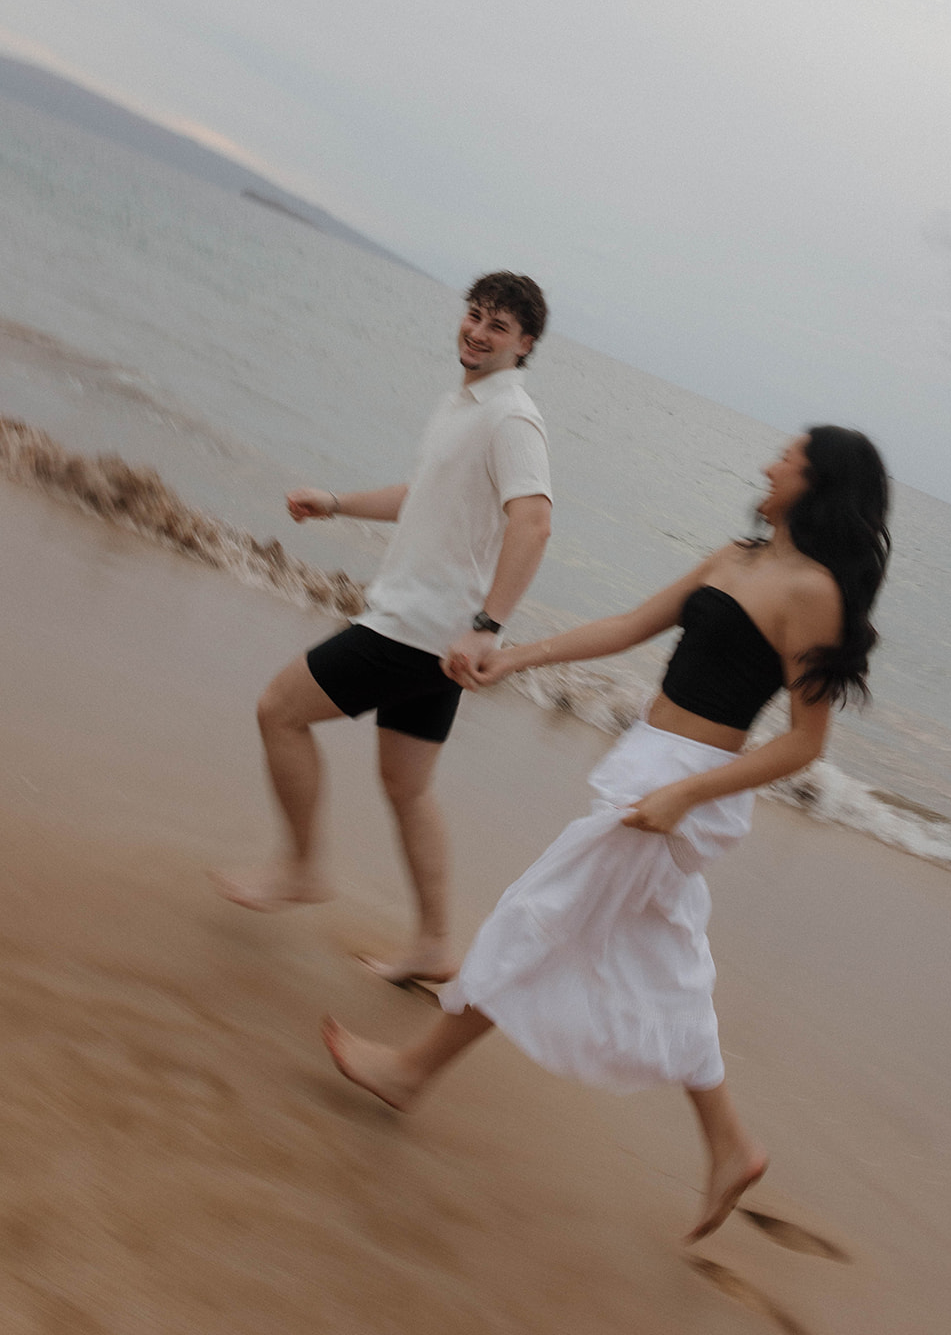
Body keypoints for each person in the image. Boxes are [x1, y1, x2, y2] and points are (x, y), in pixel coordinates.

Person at [321, 426, 891, 1241]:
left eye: (786, 457)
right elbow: (629, 625)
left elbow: (804, 744)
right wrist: (512, 659)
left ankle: (410, 1072)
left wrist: (685, 795)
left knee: (538, 915)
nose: (767, 464)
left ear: (817, 482)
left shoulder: (813, 593)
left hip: (678, 785)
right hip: (647, 762)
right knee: (666, 958)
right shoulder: (738, 555)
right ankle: (730, 1147)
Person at [213, 273, 553, 985]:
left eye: (497, 326)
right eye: (474, 315)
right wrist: (335, 502)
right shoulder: (463, 405)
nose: (477, 332)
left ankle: (301, 867)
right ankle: (434, 945)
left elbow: (534, 522)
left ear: (524, 344)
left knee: (279, 711)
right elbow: (421, 495)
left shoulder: (510, 418)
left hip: (418, 628)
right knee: (407, 787)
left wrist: (488, 625)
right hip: (436, 635)